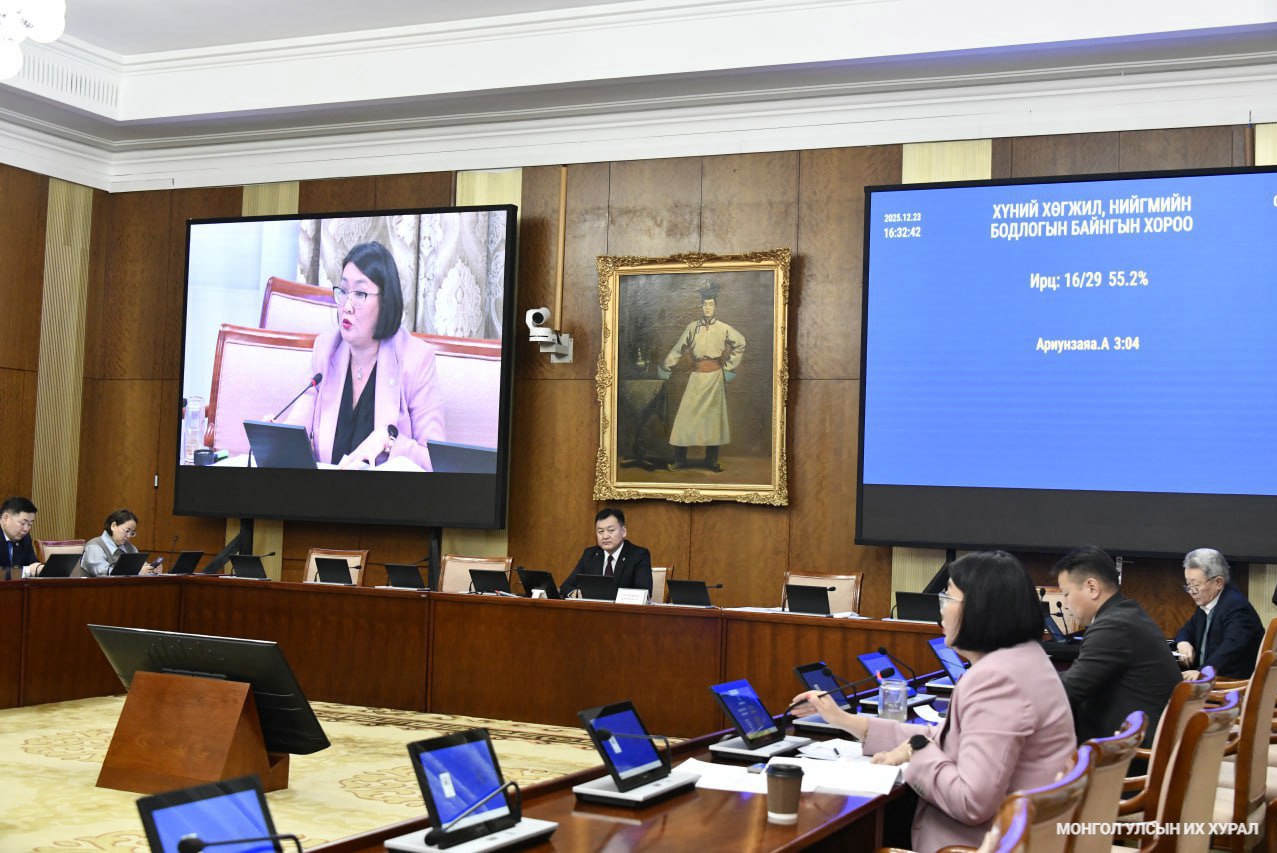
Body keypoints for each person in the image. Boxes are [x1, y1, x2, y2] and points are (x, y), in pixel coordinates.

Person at [790, 551, 1075, 853]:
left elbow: (971, 803)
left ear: (980, 609)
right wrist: (846, 721)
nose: (940, 611)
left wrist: (916, 752)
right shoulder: (1026, 660)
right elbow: (948, 738)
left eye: (947, 598)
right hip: (1024, 836)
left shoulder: (996, 680)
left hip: (979, 844)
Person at [282, 241, 446, 470]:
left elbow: (436, 462)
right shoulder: (326, 349)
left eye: (360, 293)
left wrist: (388, 441)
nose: (347, 306)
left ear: (385, 301)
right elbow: (296, 426)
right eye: (343, 291)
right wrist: (277, 438)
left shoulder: (415, 359)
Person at [1053, 545, 1180, 745]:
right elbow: (1077, 678)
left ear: (1092, 588)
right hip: (1142, 739)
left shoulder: (1113, 626)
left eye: (1066, 593)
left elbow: (1069, 689)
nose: (1066, 603)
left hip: (1129, 752)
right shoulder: (1127, 614)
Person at [657, 283, 745, 472]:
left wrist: (728, 368)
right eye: (705, 304)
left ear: (715, 306)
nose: (707, 308)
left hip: (715, 379)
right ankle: (680, 460)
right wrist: (667, 366)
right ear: (701, 306)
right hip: (697, 378)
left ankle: (711, 461)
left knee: (713, 420)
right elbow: (679, 348)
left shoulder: (723, 328)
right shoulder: (692, 327)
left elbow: (740, 344)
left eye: (711, 304)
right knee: (685, 417)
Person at [1174, 548, 1264, 680]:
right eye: (1188, 585)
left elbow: (1231, 648)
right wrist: (1183, 642)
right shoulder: (1207, 603)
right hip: (1209, 679)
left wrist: (1202, 672)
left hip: (1229, 684)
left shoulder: (1237, 607)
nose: (1192, 591)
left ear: (1218, 582)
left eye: (1196, 585)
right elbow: (1187, 629)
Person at [558, 508, 653, 598]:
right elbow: (566, 586)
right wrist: (574, 593)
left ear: (623, 531)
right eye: (600, 531)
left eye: (611, 530)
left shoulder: (638, 555)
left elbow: (644, 592)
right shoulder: (590, 555)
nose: (605, 536)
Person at [81, 509, 160, 577]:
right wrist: (136, 572)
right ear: (113, 526)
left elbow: (141, 567)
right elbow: (102, 572)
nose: (129, 536)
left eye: (132, 533)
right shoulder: (94, 546)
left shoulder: (130, 548)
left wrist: (151, 570)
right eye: (127, 531)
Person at [1, 496, 41, 578]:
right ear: (6, 518)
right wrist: (26, 571)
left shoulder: (25, 538)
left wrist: (41, 568)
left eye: (30, 524)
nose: (26, 529)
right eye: (22, 523)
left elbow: (32, 564)